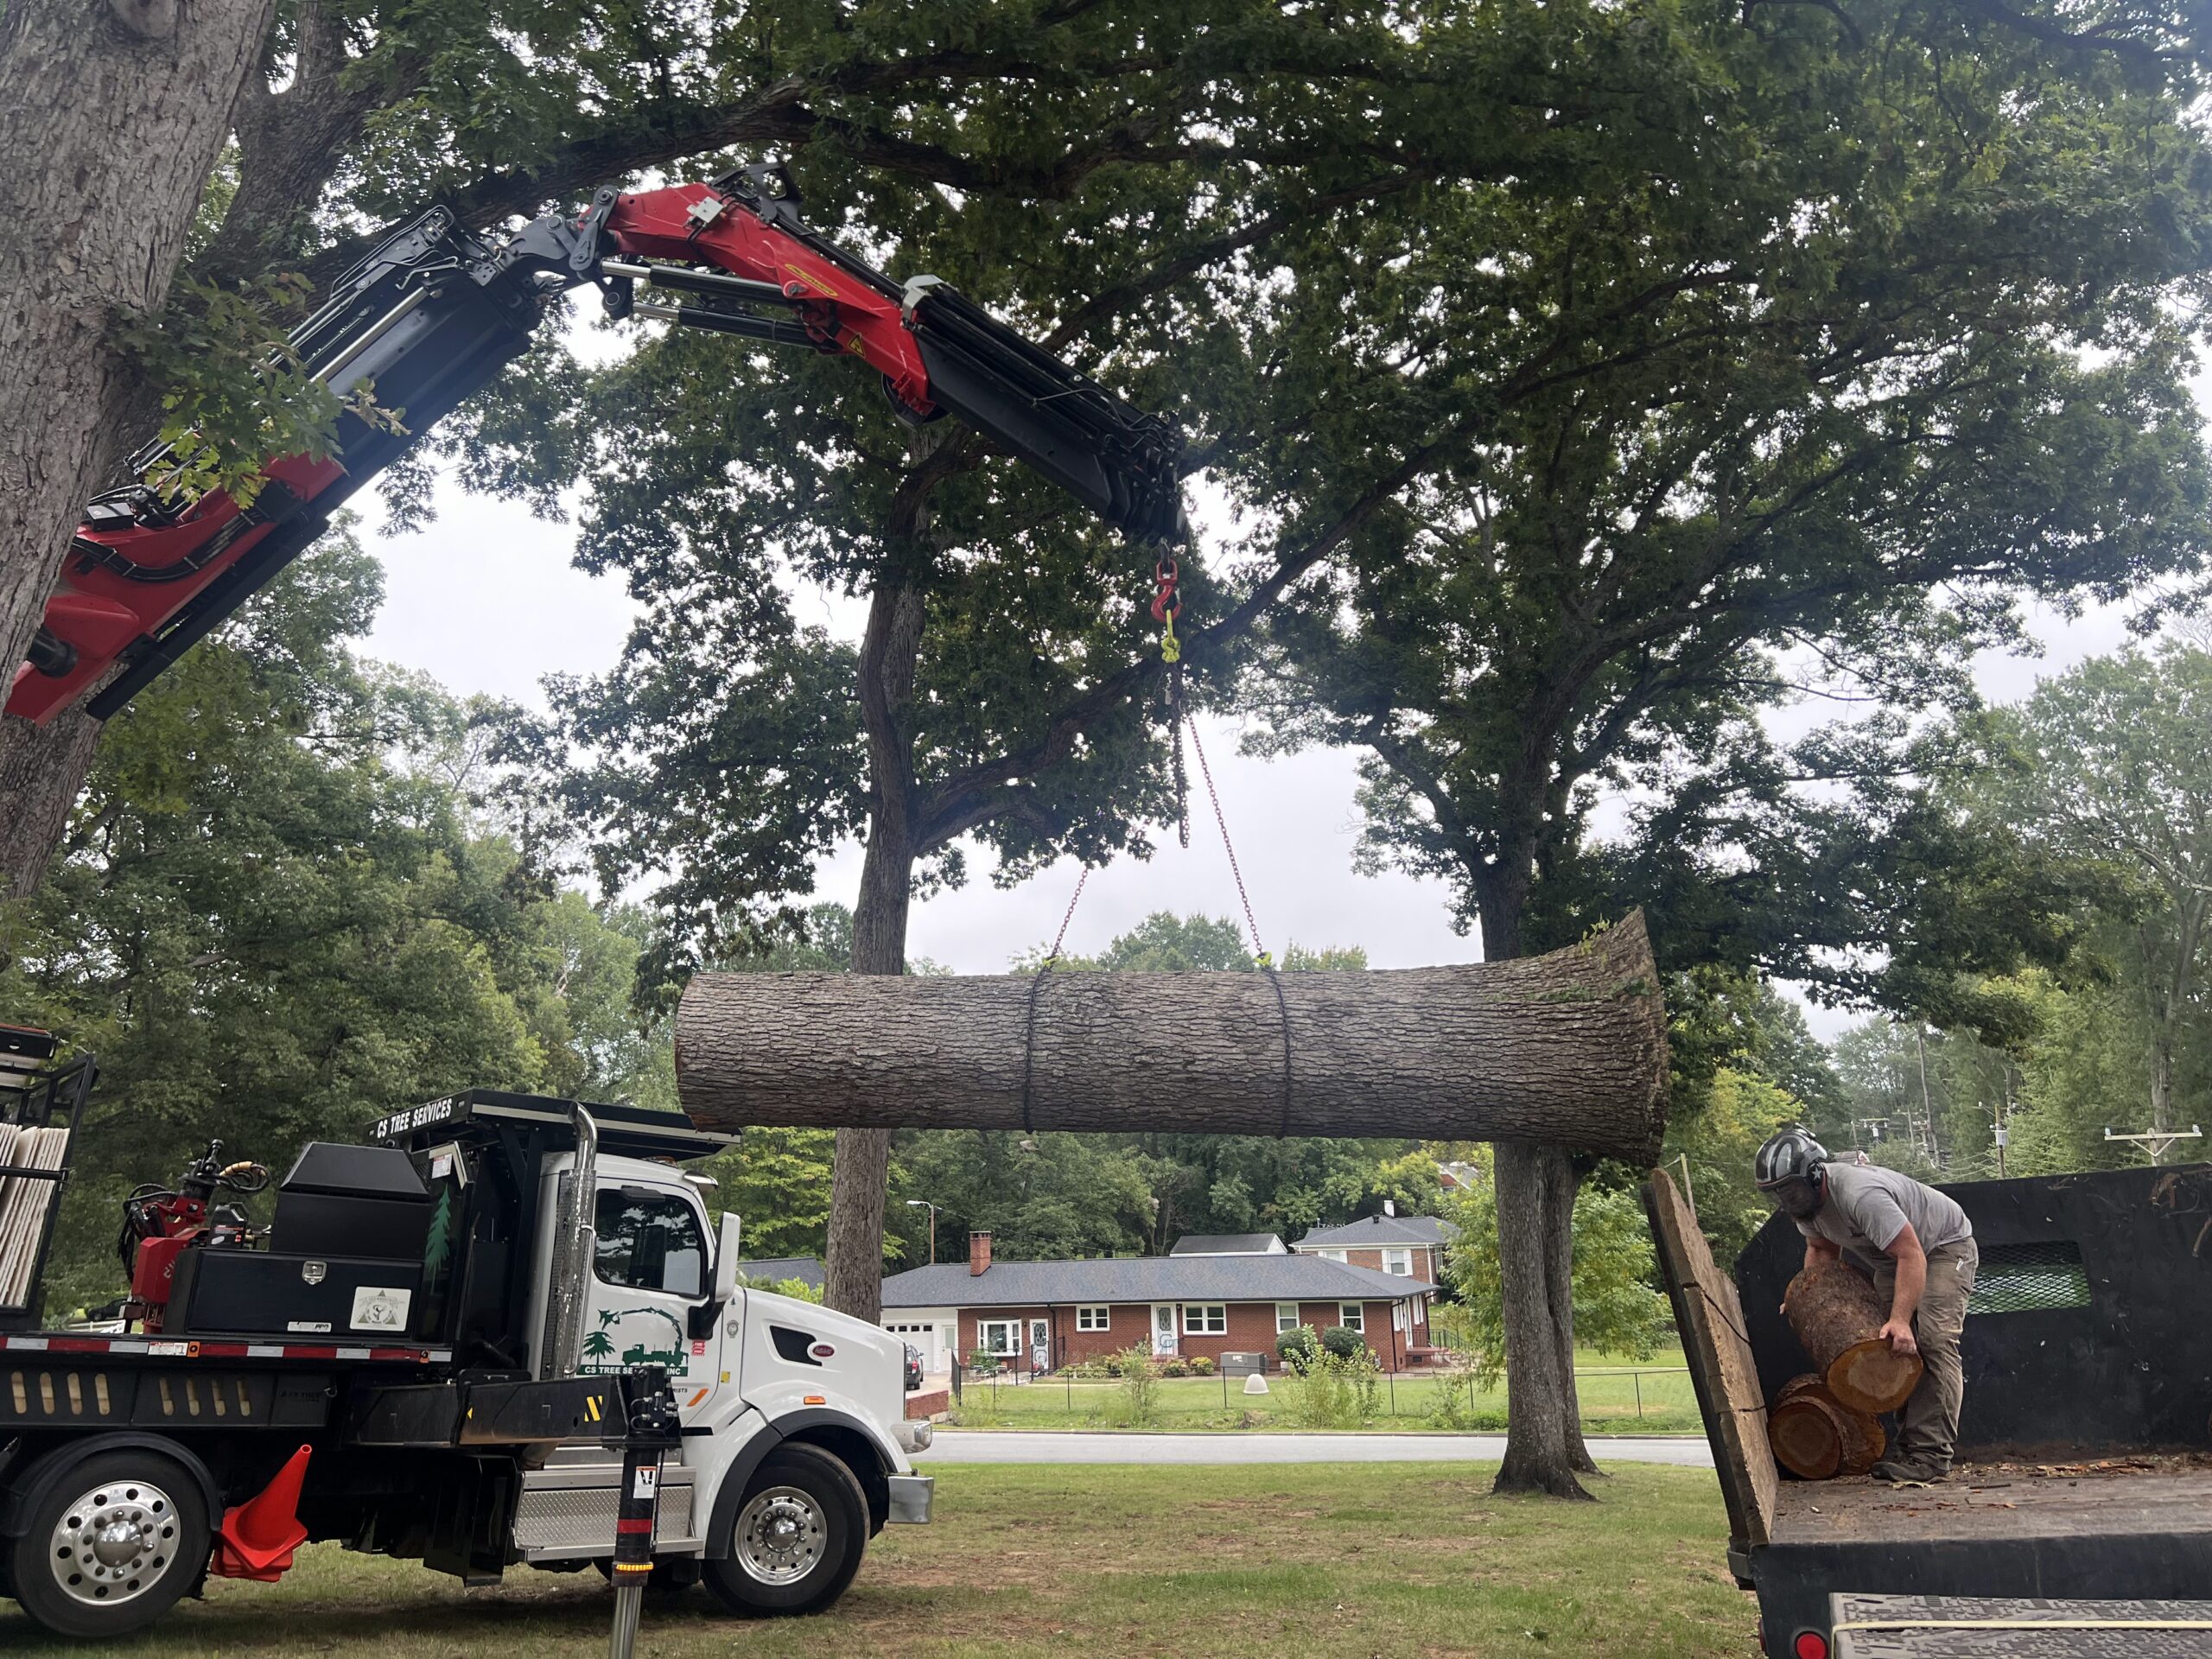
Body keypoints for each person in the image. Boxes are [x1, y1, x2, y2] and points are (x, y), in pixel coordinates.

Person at [1754, 1126, 1978, 1482]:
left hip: (1943, 1249)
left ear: (1815, 1174)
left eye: (1791, 1188)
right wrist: (1807, 1296)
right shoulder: (1806, 1209)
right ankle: (1910, 1449)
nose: (1787, 1200)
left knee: (1933, 1340)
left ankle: (1932, 1456)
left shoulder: (1861, 1195)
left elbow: (1911, 1253)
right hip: (1894, 1260)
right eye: (1778, 1193)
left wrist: (1902, 1320)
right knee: (1891, 1349)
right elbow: (1821, 1249)